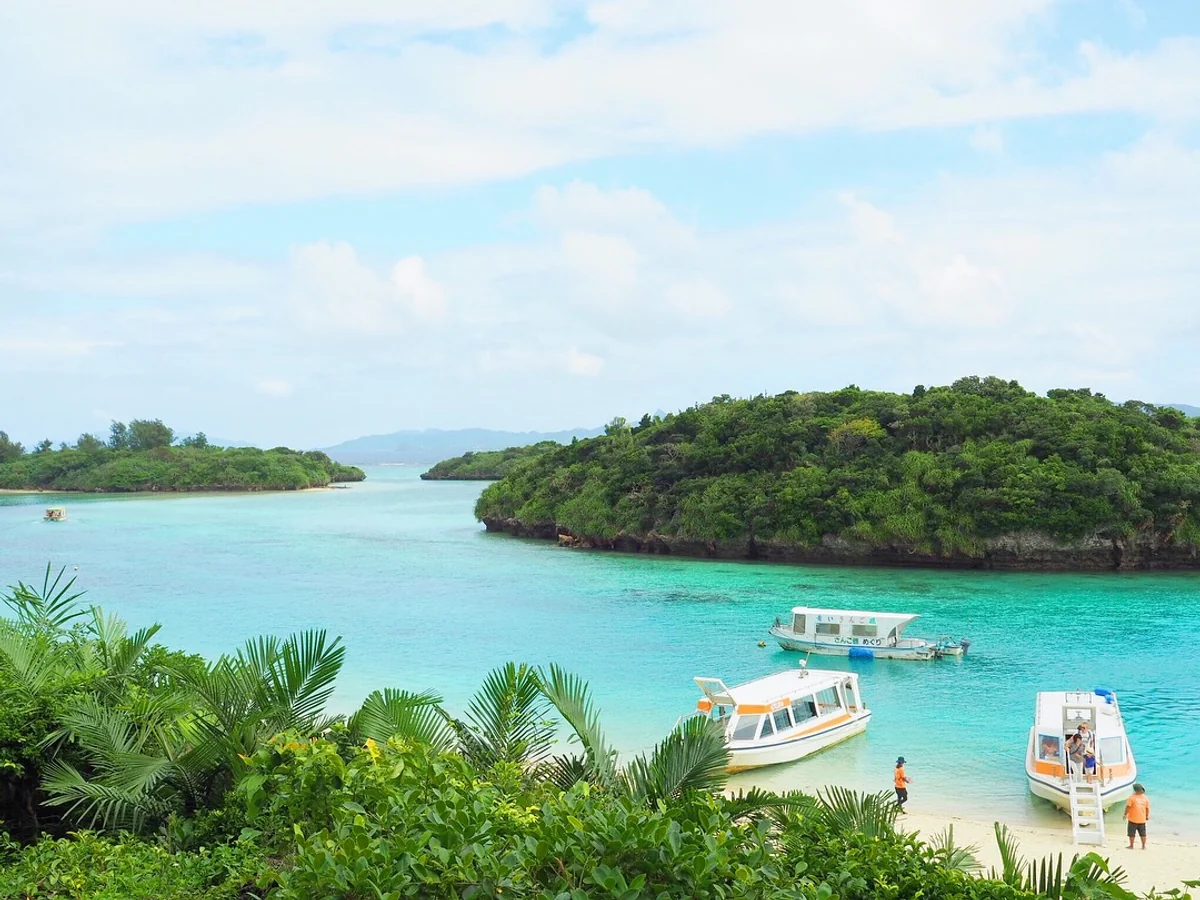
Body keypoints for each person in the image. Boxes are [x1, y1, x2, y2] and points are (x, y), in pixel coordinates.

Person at [1123, 783, 1150, 850]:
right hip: (1142, 819)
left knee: (1131, 833)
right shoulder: (1146, 798)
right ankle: (1143, 846)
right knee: (1143, 834)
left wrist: (1125, 814)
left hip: (1132, 819)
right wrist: (1147, 816)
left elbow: (1128, 807)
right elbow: (1147, 808)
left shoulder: (1131, 798)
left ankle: (1131, 846)